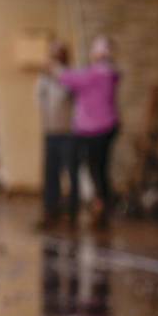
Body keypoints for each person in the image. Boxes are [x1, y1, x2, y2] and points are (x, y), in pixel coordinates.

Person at [57, 35, 120, 228]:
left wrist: (56, 67)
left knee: (93, 167)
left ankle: (98, 202)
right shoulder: (109, 74)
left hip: (93, 129)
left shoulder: (96, 75)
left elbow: (68, 78)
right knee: (100, 167)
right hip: (105, 126)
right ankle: (101, 201)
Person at [38, 42, 80, 228]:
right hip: (51, 131)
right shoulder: (44, 80)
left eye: (59, 56)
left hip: (69, 132)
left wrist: (59, 74)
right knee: (50, 173)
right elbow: (39, 101)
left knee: (71, 172)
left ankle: (72, 211)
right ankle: (50, 209)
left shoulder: (71, 77)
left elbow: (71, 97)